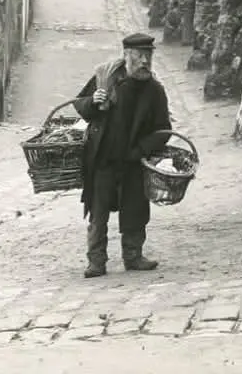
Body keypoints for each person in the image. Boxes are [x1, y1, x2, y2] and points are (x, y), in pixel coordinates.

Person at [73, 32, 171, 278]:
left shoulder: (155, 90)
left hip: (134, 162)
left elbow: (163, 130)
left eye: (148, 56)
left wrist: (140, 151)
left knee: (136, 210)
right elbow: (80, 105)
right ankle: (96, 261)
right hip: (103, 159)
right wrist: (92, 102)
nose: (144, 62)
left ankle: (133, 256)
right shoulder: (105, 79)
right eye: (139, 56)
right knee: (98, 212)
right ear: (126, 56)